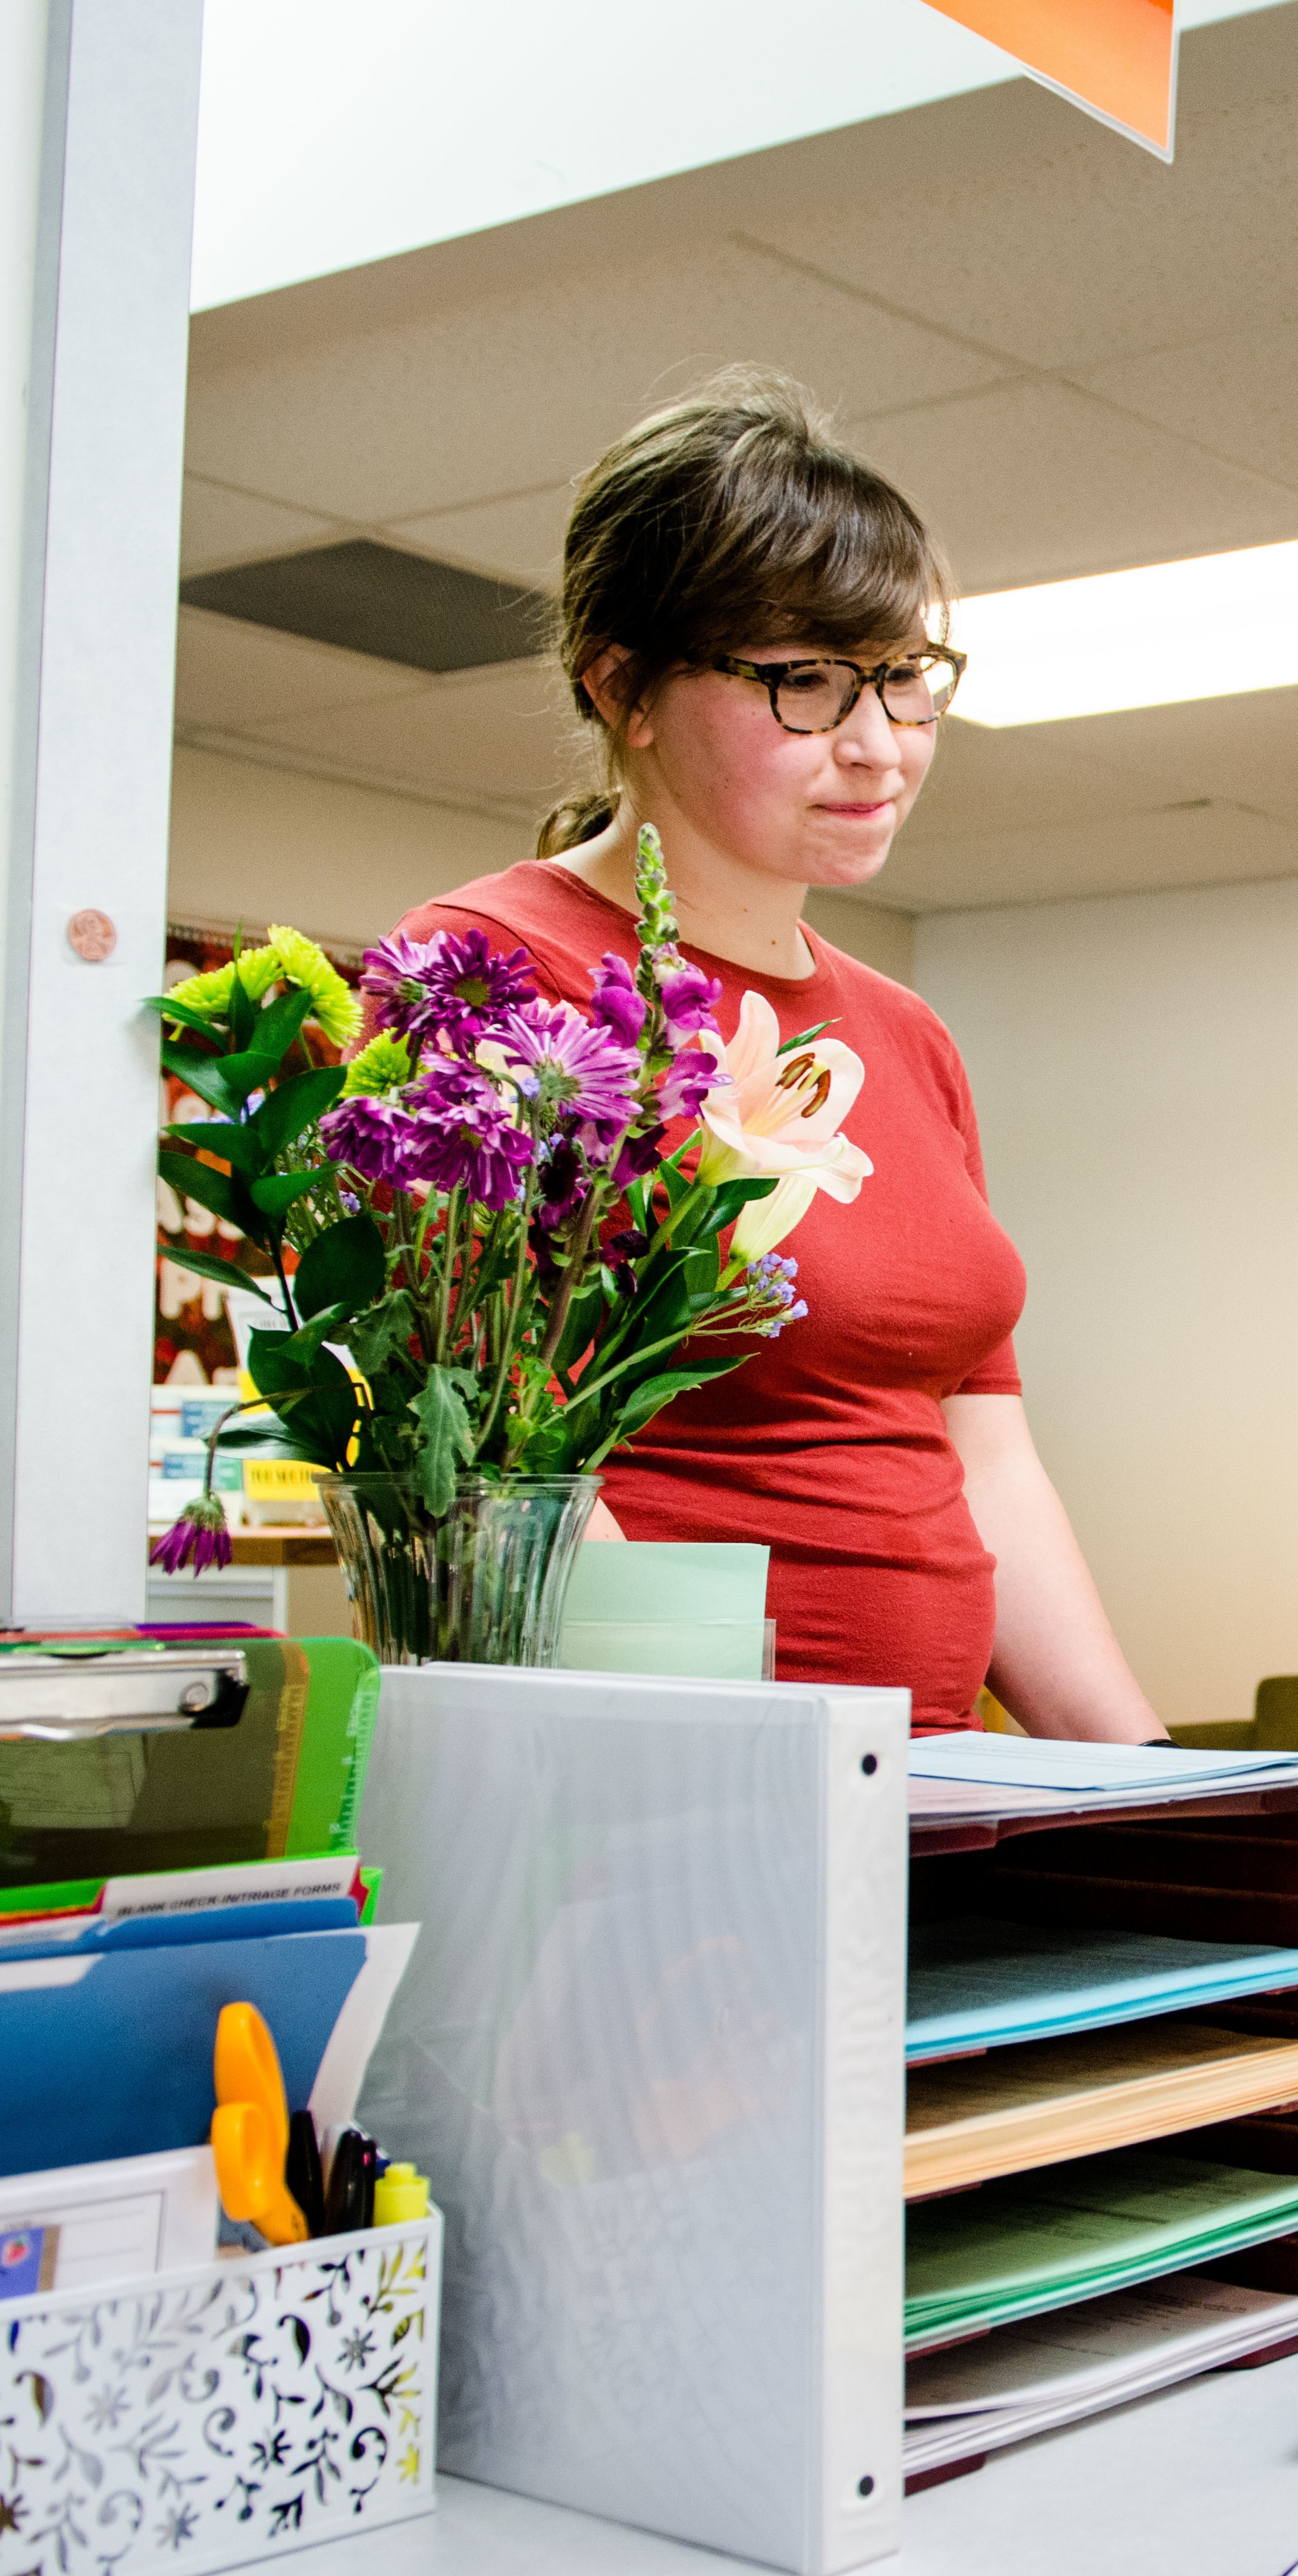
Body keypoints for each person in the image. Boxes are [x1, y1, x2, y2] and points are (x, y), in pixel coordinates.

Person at [395, 371, 1158, 1741]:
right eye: (805, 682)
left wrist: (1158, 1783)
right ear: (623, 686)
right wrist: (745, 1780)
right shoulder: (502, 976)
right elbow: (500, 1473)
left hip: (921, 1799)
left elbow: (984, 1456)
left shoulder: (906, 1037)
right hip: (673, 1799)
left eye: (906, 680)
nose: (878, 747)